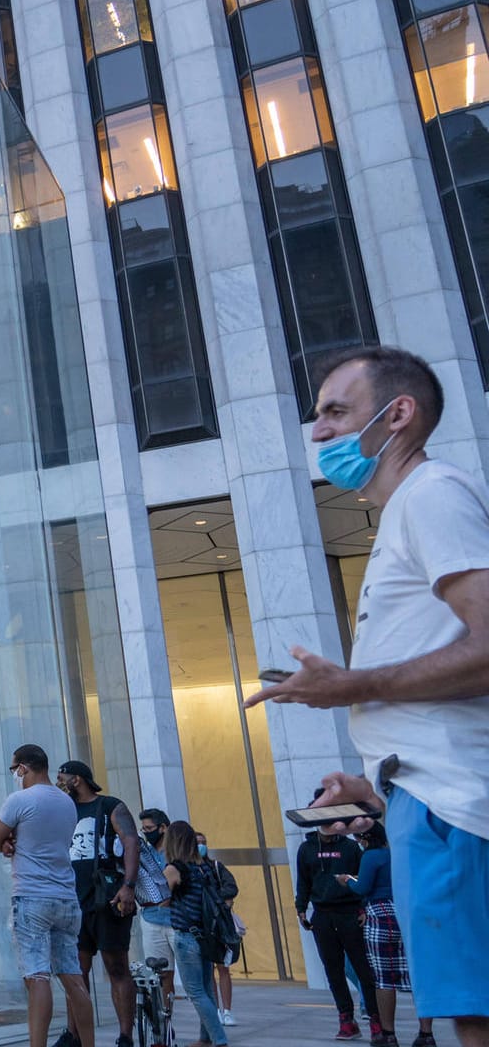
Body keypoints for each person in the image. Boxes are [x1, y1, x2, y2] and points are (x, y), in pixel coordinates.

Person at [246, 345, 489, 1047]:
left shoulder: (432, 495)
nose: (318, 432)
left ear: (399, 414)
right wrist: (377, 783)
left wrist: (350, 686)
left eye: (335, 412)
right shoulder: (404, 515)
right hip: (425, 798)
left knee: (477, 1012)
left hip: (456, 808)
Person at [0, 745, 94, 1047]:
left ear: (23, 768)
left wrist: (8, 841)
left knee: (37, 978)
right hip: (66, 898)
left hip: (32, 896)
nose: (14, 776)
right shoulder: (66, 803)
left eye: (14, 770)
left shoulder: (20, 800)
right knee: (73, 978)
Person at [58, 760, 141, 1047]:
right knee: (75, 971)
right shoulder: (63, 809)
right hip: (73, 900)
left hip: (107, 897)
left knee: (116, 966)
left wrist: (128, 886)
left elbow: (131, 841)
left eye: (63, 778)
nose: (60, 783)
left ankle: (125, 1037)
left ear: (77, 779)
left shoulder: (109, 806)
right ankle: (73, 1035)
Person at [341, 824, 437, 1047]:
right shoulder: (398, 854)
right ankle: (426, 1034)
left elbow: (362, 887)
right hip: (406, 915)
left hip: (380, 917)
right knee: (417, 978)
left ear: (365, 837)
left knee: (384, 980)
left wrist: (347, 880)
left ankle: (388, 1034)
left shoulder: (371, 856)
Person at [297, 812, 381, 1041]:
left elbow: (363, 879)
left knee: (363, 969)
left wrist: (363, 907)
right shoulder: (307, 848)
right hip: (322, 915)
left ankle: (376, 1019)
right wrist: (301, 908)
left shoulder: (351, 847)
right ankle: (346, 1019)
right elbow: (303, 880)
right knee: (333, 970)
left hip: (350, 913)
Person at [161, 822, 228, 1047]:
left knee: (195, 992)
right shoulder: (204, 867)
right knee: (207, 989)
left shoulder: (175, 868)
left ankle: (219, 1039)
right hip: (206, 935)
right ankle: (206, 1038)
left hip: (186, 937)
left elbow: (162, 897)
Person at [194, 832, 239, 1027]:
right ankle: (214, 1009)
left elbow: (232, 887)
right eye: (197, 843)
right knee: (207, 969)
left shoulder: (216, 867)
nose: (201, 846)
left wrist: (214, 899)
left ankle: (226, 1010)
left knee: (223, 968)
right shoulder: (187, 869)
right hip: (201, 925)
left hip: (219, 925)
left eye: (204, 842)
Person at [136, 809, 178, 1018]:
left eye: (149, 829)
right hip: (151, 918)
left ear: (163, 828)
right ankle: (165, 1017)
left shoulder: (177, 852)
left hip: (177, 920)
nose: (146, 833)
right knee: (161, 974)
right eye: (143, 829)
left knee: (194, 975)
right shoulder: (144, 852)